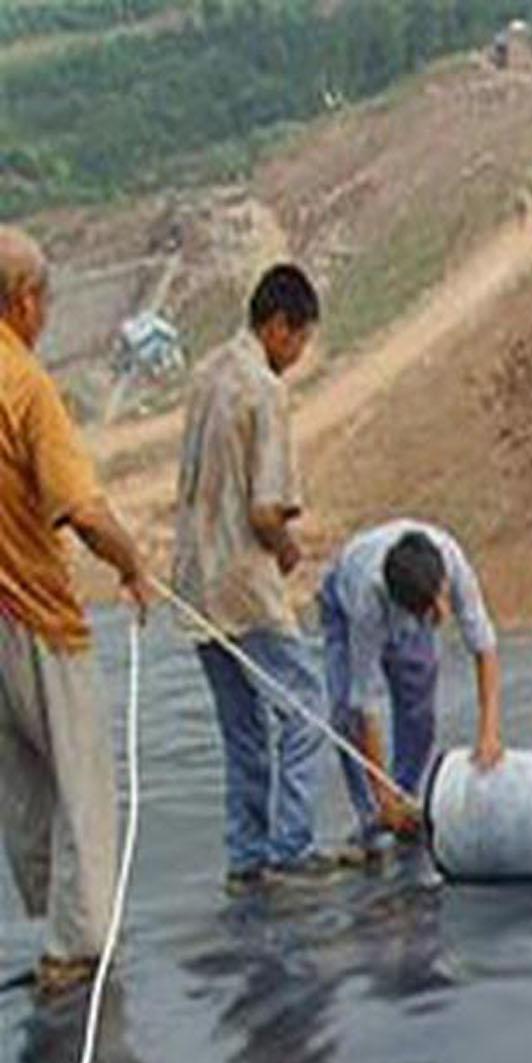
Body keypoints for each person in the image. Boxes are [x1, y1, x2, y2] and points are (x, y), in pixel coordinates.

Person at [0, 225, 154, 999]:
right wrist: (132, 563)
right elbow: (79, 509)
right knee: (82, 781)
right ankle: (75, 947)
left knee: (24, 784)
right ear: (26, 301)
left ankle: (54, 918)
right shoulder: (25, 385)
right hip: (35, 617)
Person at [173, 262, 334, 894]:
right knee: (306, 708)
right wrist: (291, 553)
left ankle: (247, 858)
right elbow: (265, 511)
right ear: (279, 327)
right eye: (300, 341)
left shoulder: (206, 373)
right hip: (243, 582)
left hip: (195, 582)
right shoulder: (263, 389)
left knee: (242, 727)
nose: (297, 356)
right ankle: (290, 851)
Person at [317, 520, 504, 853]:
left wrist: (489, 733)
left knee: (419, 710)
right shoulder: (368, 600)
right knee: (346, 717)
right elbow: (366, 702)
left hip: (407, 592)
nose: (442, 613)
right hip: (342, 602)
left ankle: (405, 800)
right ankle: (375, 817)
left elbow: (484, 647)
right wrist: (381, 796)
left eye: (441, 600)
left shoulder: (451, 562)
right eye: (427, 611)